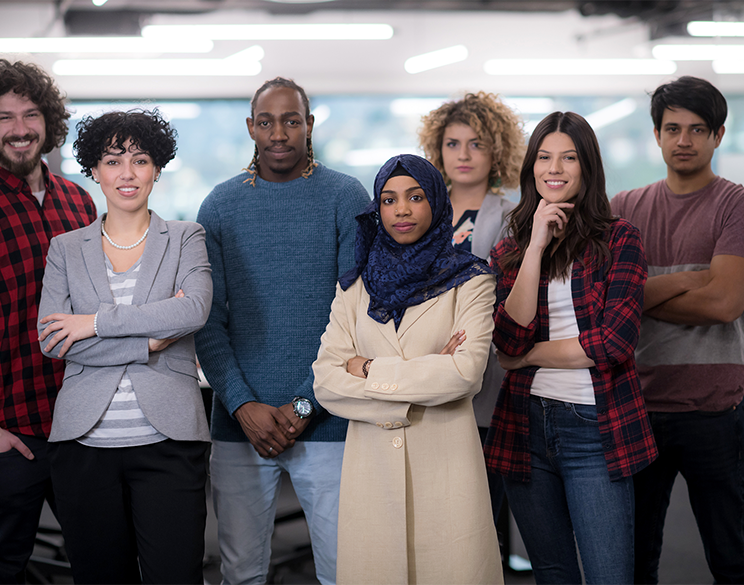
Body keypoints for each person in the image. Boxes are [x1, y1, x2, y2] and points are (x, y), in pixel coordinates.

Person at [195, 77, 370, 585]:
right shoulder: (221, 205)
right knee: (241, 573)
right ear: (251, 127)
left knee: (344, 572)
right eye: (267, 121)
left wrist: (302, 405)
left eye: (291, 120)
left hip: (330, 420)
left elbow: (357, 313)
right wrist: (242, 405)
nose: (279, 133)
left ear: (309, 125)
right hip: (238, 424)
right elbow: (208, 318)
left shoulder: (344, 196)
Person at [36, 109, 212, 585]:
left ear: (157, 168)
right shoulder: (65, 249)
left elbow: (193, 310)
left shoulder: (186, 237)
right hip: (84, 445)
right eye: (113, 160)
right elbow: (53, 340)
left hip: (169, 442)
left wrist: (92, 324)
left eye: (140, 159)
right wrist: (150, 340)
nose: (127, 173)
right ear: (94, 170)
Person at [312, 153, 503, 584]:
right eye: (388, 199)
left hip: (447, 473)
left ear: (435, 202)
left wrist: (367, 368)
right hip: (372, 476)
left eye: (415, 197)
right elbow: (326, 382)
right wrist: (427, 369)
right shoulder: (355, 286)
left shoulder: (471, 279)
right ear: (376, 210)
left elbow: (464, 376)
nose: (401, 209)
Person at [485, 111, 658, 585]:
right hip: (525, 424)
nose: (554, 167)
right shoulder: (512, 248)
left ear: (587, 167)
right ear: (531, 167)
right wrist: (536, 244)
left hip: (594, 427)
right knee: (552, 573)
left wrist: (532, 357)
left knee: (609, 575)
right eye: (543, 157)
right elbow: (509, 339)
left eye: (568, 157)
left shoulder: (619, 239)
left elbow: (612, 344)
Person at [0, 59, 97, 584]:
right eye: (5, 117)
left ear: (48, 122)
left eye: (31, 113)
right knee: (0, 572)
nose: (20, 128)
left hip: (81, 427)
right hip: (10, 432)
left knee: (101, 563)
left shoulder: (78, 202)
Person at [611, 76, 744, 584]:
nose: (683, 140)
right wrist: (692, 278)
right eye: (672, 129)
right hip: (637, 406)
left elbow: (725, 302)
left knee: (731, 557)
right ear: (657, 134)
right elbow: (606, 300)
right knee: (634, 558)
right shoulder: (624, 207)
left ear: (718, 135)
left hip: (715, 410)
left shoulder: (734, 204)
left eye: (697, 129)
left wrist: (640, 294)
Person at [418, 91, 525, 518]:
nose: (464, 155)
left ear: (495, 151)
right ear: (437, 150)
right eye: (453, 144)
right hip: (422, 361)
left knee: (481, 508)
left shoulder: (515, 217)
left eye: (476, 144)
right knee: (431, 506)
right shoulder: (417, 209)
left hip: (486, 369)